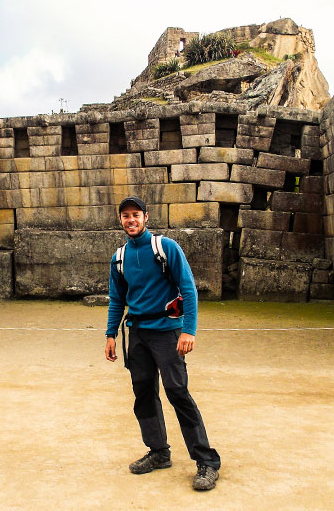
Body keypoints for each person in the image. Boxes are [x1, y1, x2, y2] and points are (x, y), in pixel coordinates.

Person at [105, 196, 221, 491]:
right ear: (120, 220)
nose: (131, 220)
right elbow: (117, 299)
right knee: (143, 393)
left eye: (136, 215)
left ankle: (207, 461)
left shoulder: (165, 248)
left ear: (146, 217)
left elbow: (188, 288)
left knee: (177, 392)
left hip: (168, 332)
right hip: (138, 333)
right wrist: (111, 334)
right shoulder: (119, 258)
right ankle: (158, 452)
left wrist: (188, 330)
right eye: (125, 216)